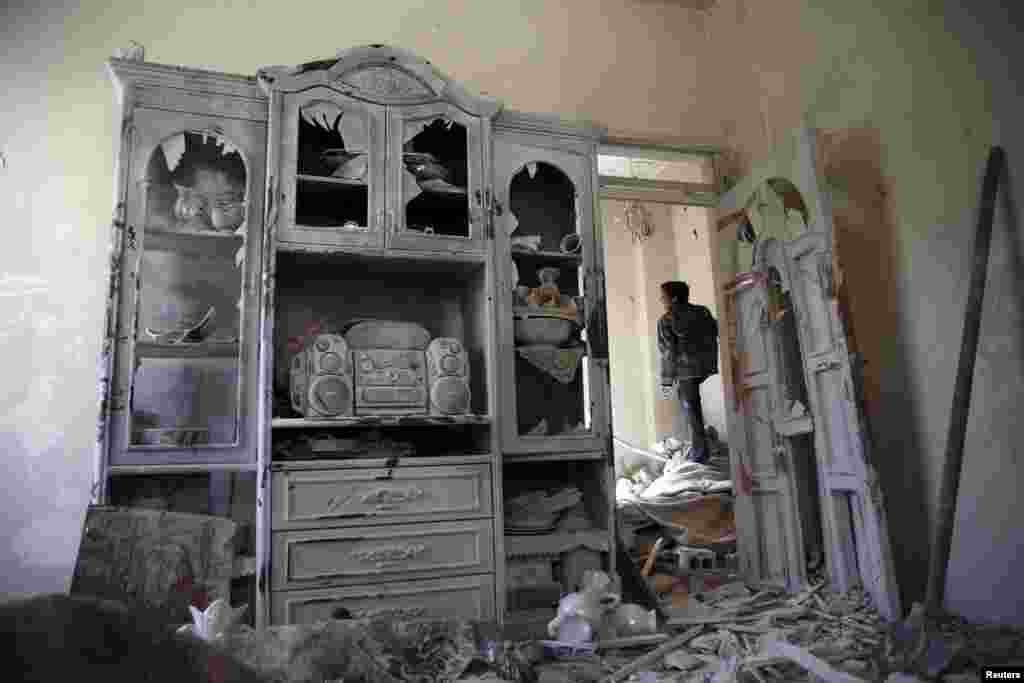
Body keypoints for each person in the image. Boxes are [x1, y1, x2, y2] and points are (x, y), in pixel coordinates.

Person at [657, 280, 719, 464]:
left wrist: (667, 381)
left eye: (664, 296)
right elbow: (715, 331)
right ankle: (700, 446)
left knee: (692, 411)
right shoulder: (703, 311)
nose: (661, 299)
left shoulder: (666, 319)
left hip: (686, 370)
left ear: (674, 298)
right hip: (706, 366)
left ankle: (700, 454)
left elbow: (668, 352)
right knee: (691, 408)